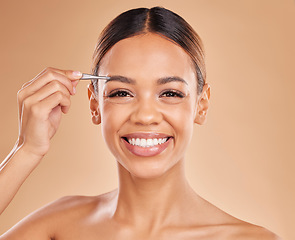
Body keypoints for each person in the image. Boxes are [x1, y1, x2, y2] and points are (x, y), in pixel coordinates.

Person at [0, 7, 280, 240]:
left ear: (201, 104)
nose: (145, 116)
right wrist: (26, 150)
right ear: (95, 104)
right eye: (121, 93)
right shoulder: (59, 227)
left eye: (170, 93)